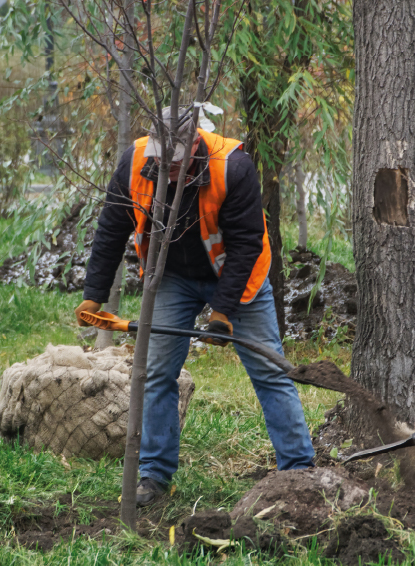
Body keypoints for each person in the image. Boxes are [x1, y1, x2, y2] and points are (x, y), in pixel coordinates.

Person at [76, 106, 314, 506]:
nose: (166, 169)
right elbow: (111, 228)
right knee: (155, 374)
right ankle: (154, 475)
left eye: (175, 162)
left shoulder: (232, 167)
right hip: (172, 277)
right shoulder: (135, 161)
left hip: (237, 275)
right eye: (161, 160)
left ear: (195, 143)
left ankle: (299, 472)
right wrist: (94, 293)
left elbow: (246, 245)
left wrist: (222, 311)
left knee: (270, 371)